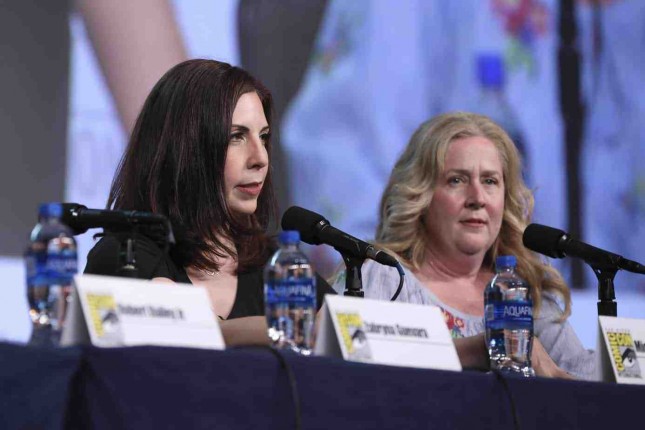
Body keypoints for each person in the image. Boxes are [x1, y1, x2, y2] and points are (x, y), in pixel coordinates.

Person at [85, 59, 335, 346]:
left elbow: (340, 334)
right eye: (236, 137)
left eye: (263, 137)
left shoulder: (278, 265)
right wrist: (277, 329)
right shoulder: (124, 256)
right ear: (185, 149)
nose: (260, 158)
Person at [333, 112, 596, 380]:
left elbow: (588, 382)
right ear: (421, 195)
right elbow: (342, 361)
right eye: (456, 180)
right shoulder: (383, 277)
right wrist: (476, 350)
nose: (477, 198)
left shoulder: (524, 293)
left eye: (490, 181)